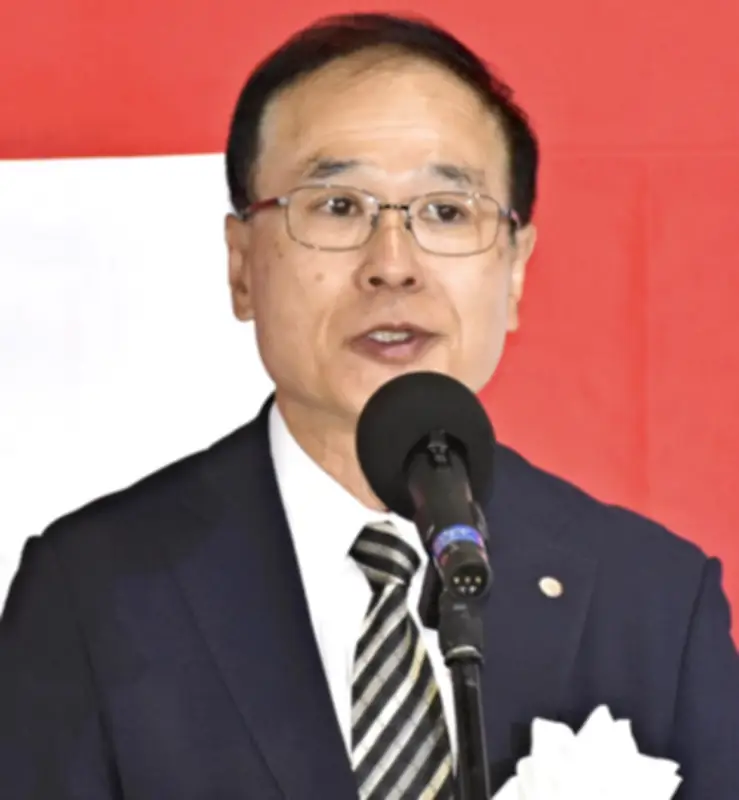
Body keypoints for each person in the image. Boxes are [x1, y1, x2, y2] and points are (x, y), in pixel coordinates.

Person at [1, 12, 737, 800]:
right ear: (242, 265)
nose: (392, 264)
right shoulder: (94, 592)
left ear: (515, 270)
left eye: (446, 211)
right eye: (337, 206)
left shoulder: (652, 601)